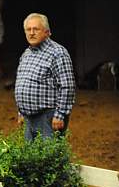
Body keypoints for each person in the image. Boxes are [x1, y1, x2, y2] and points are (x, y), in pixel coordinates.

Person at [15, 13, 76, 141]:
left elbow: (67, 86)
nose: (31, 33)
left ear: (47, 32)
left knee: (50, 157)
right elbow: (21, 83)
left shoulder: (58, 53)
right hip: (28, 117)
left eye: (35, 29)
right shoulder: (26, 53)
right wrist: (21, 112)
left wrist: (60, 115)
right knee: (30, 157)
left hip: (48, 116)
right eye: (28, 29)